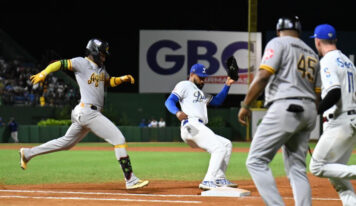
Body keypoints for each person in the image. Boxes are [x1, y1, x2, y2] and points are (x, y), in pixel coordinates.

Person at [19, 38, 149, 190]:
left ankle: (27, 153)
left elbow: (108, 81)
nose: (104, 57)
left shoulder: (101, 69)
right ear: (94, 51)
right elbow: (59, 63)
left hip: (85, 113)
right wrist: (44, 73)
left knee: (66, 143)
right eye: (101, 54)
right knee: (118, 139)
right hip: (88, 111)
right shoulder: (82, 62)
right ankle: (130, 179)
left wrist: (122, 79)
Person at [238, 16, 321, 205]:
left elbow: (263, 75)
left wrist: (246, 105)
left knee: (256, 161)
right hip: (308, 110)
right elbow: (317, 94)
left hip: (286, 106)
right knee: (297, 168)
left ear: (278, 30)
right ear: (299, 32)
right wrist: (306, 123)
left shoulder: (278, 42)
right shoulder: (312, 53)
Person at [165, 63, 237, 190]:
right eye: (200, 77)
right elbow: (169, 101)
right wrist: (177, 112)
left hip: (198, 126)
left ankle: (219, 177)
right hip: (191, 124)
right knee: (218, 148)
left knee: (226, 144)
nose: (203, 80)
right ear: (192, 75)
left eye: (204, 78)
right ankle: (208, 180)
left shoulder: (200, 93)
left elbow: (217, 101)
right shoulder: (184, 85)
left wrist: (227, 84)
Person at [309, 24, 356, 206]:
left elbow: (334, 92)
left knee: (317, 166)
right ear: (335, 40)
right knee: (337, 176)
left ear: (317, 41)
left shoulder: (328, 60)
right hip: (351, 120)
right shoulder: (348, 62)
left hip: (340, 121)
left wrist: (313, 112)